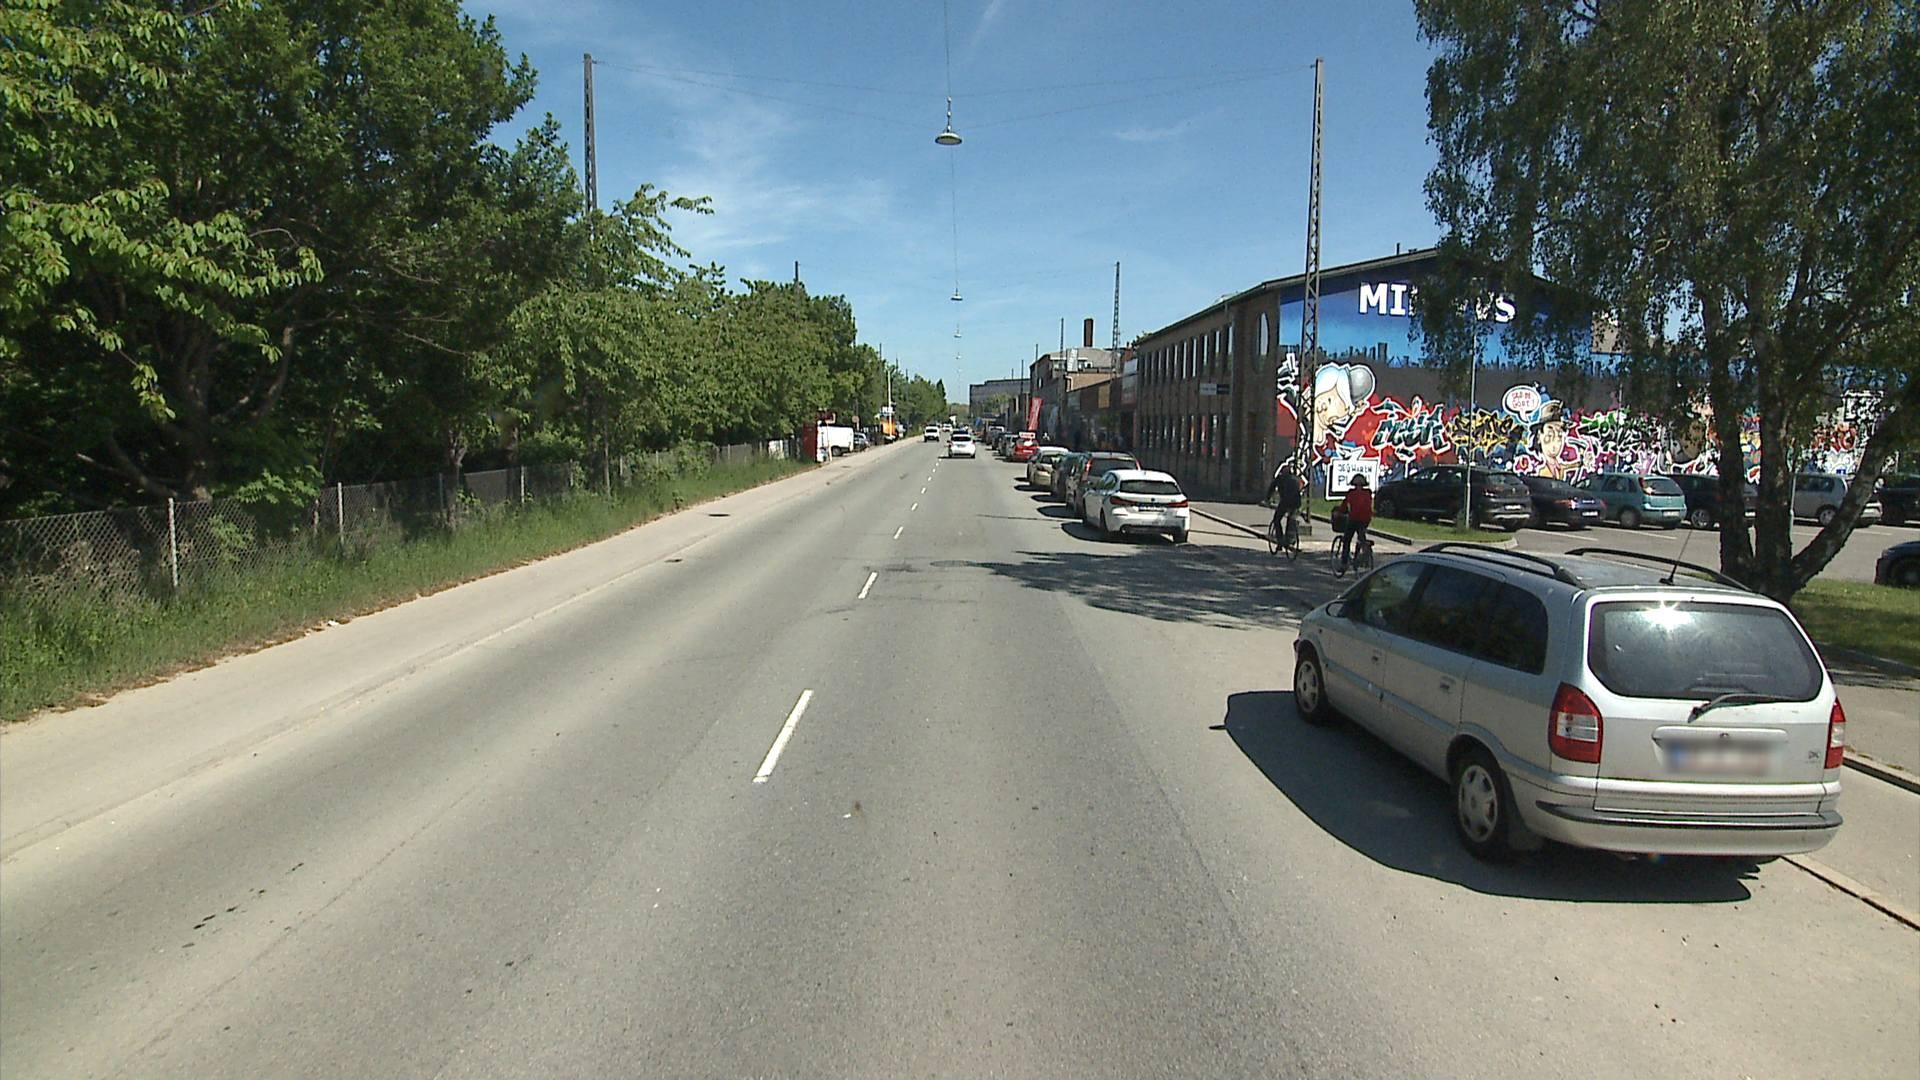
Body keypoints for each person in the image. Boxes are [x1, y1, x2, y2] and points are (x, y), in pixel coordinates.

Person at [1337, 474, 1374, 571]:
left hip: (1354, 519)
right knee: (1361, 537)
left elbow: (1344, 506)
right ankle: (1362, 552)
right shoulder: (1368, 493)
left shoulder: (1351, 493)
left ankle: (1344, 563)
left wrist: (1339, 513)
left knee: (1347, 540)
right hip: (1366, 519)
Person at [1268, 463, 1304, 544]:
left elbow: (1271, 488)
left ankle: (1280, 540)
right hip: (1296, 503)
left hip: (1285, 502)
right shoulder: (1296, 479)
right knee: (1291, 518)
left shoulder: (1280, 478)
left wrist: (1268, 499)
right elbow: (1300, 489)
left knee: (1277, 519)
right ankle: (1290, 537)